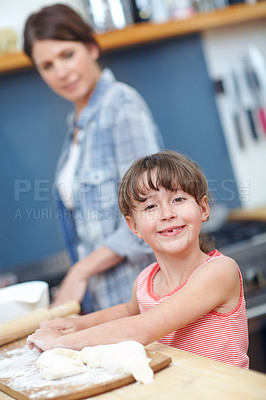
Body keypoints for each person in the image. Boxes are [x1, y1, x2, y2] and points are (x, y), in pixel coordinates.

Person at [27, 150, 249, 369]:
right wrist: (77, 324)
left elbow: (139, 328)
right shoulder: (145, 280)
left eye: (178, 199)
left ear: (203, 208)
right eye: (151, 206)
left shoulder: (219, 272)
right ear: (133, 226)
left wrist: (58, 343)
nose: (167, 213)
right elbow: (128, 311)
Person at [23, 4, 163, 313]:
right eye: (47, 65)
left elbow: (151, 212)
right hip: (106, 304)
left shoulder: (121, 107)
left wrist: (81, 270)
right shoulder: (77, 124)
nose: (61, 72)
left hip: (140, 302)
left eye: (67, 55)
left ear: (91, 47)